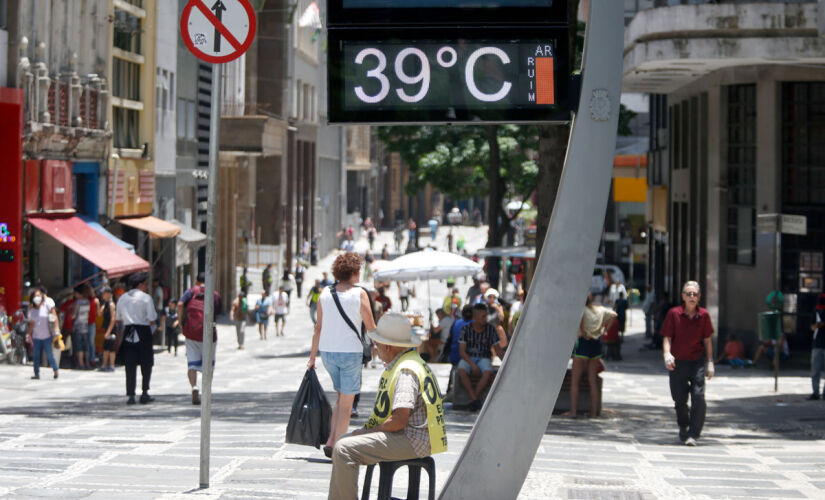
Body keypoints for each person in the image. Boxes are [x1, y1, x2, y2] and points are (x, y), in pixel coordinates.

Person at [328, 312, 447, 500]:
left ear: (387, 346)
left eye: (377, 344)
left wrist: (367, 433)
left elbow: (399, 421)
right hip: (417, 436)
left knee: (344, 449)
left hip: (413, 439)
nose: (376, 349)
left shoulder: (406, 371)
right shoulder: (411, 362)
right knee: (343, 441)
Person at [307, 252, 377, 458]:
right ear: (354, 272)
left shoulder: (325, 293)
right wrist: (384, 348)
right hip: (350, 353)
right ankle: (339, 447)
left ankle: (331, 440)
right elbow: (371, 327)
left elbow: (318, 328)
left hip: (328, 353)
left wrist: (312, 357)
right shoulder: (360, 294)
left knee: (340, 397)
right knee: (347, 404)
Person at [662, 280, 714, 446]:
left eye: (695, 294)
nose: (692, 297)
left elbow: (707, 341)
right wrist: (667, 354)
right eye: (689, 294)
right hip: (677, 363)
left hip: (696, 362)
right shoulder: (674, 314)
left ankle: (693, 433)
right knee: (679, 399)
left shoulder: (704, 315)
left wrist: (710, 362)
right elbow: (667, 338)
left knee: (698, 397)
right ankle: (683, 425)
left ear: (699, 297)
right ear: (683, 296)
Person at [562, 294, 616, 418]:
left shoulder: (581, 310)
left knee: (575, 381)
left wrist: (583, 330)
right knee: (593, 380)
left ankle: (573, 411)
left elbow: (579, 321)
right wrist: (605, 329)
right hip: (596, 344)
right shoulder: (600, 310)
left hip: (583, 343)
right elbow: (614, 315)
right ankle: (593, 412)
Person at [178, 273, 221, 405]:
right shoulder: (214, 294)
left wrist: (181, 323)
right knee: (209, 363)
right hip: (208, 333)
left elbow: (180, 304)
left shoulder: (191, 292)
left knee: (192, 362)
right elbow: (217, 312)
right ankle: (206, 389)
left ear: (196, 281)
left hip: (191, 333)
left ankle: (194, 386)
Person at [116, 272, 158, 405]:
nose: (146, 287)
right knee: (146, 363)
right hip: (143, 330)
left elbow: (118, 318)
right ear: (140, 285)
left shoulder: (122, 298)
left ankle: (131, 394)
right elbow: (152, 318)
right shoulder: (146, 298)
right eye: (145, 284)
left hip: (128, 331)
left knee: (130, 364)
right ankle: (145, 392)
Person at [458, 303, 507, 411]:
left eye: (486, 316)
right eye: (483, 316)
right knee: (461, 370)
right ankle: (475, 399)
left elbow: (498, 350)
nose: (486, 319)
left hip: (484, 358)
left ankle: (473, 399)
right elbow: (462, 351)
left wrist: (507, 362)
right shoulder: (465, 329)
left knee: (488, 371)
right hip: (468, 358)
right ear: (475, 317)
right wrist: (472, 365)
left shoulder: (490, 329)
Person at [27, 288, 59, 380]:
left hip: (47, 336)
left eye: (38, 296)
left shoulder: (46, 306)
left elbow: (54, 317)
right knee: (36, 356)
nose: (37, 298)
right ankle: (36, 373)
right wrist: (28, 334)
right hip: (36, 336)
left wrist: (56, 329)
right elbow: (32, 324)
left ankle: (55, 370)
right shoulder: (32, 310)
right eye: (35, 296)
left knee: (49, 355)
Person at [71, 284, 91, 369]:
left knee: (79, 346)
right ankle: (87, 363)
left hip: (78, 326)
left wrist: (70, 313)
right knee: (86, 346)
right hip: (85, 326)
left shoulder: (77, 303)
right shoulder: (87, 302)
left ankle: (81, 364)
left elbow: (74, 315)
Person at [98, 286, 117, 372]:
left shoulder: (111, 305)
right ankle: (104, 364)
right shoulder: (105, 304)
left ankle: (112, 365)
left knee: (111, 348)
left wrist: (108, 332)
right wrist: (98, 304)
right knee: (105, 348)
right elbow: (99, 314)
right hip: (106, 329)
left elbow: (113, 318)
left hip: (111, 329)